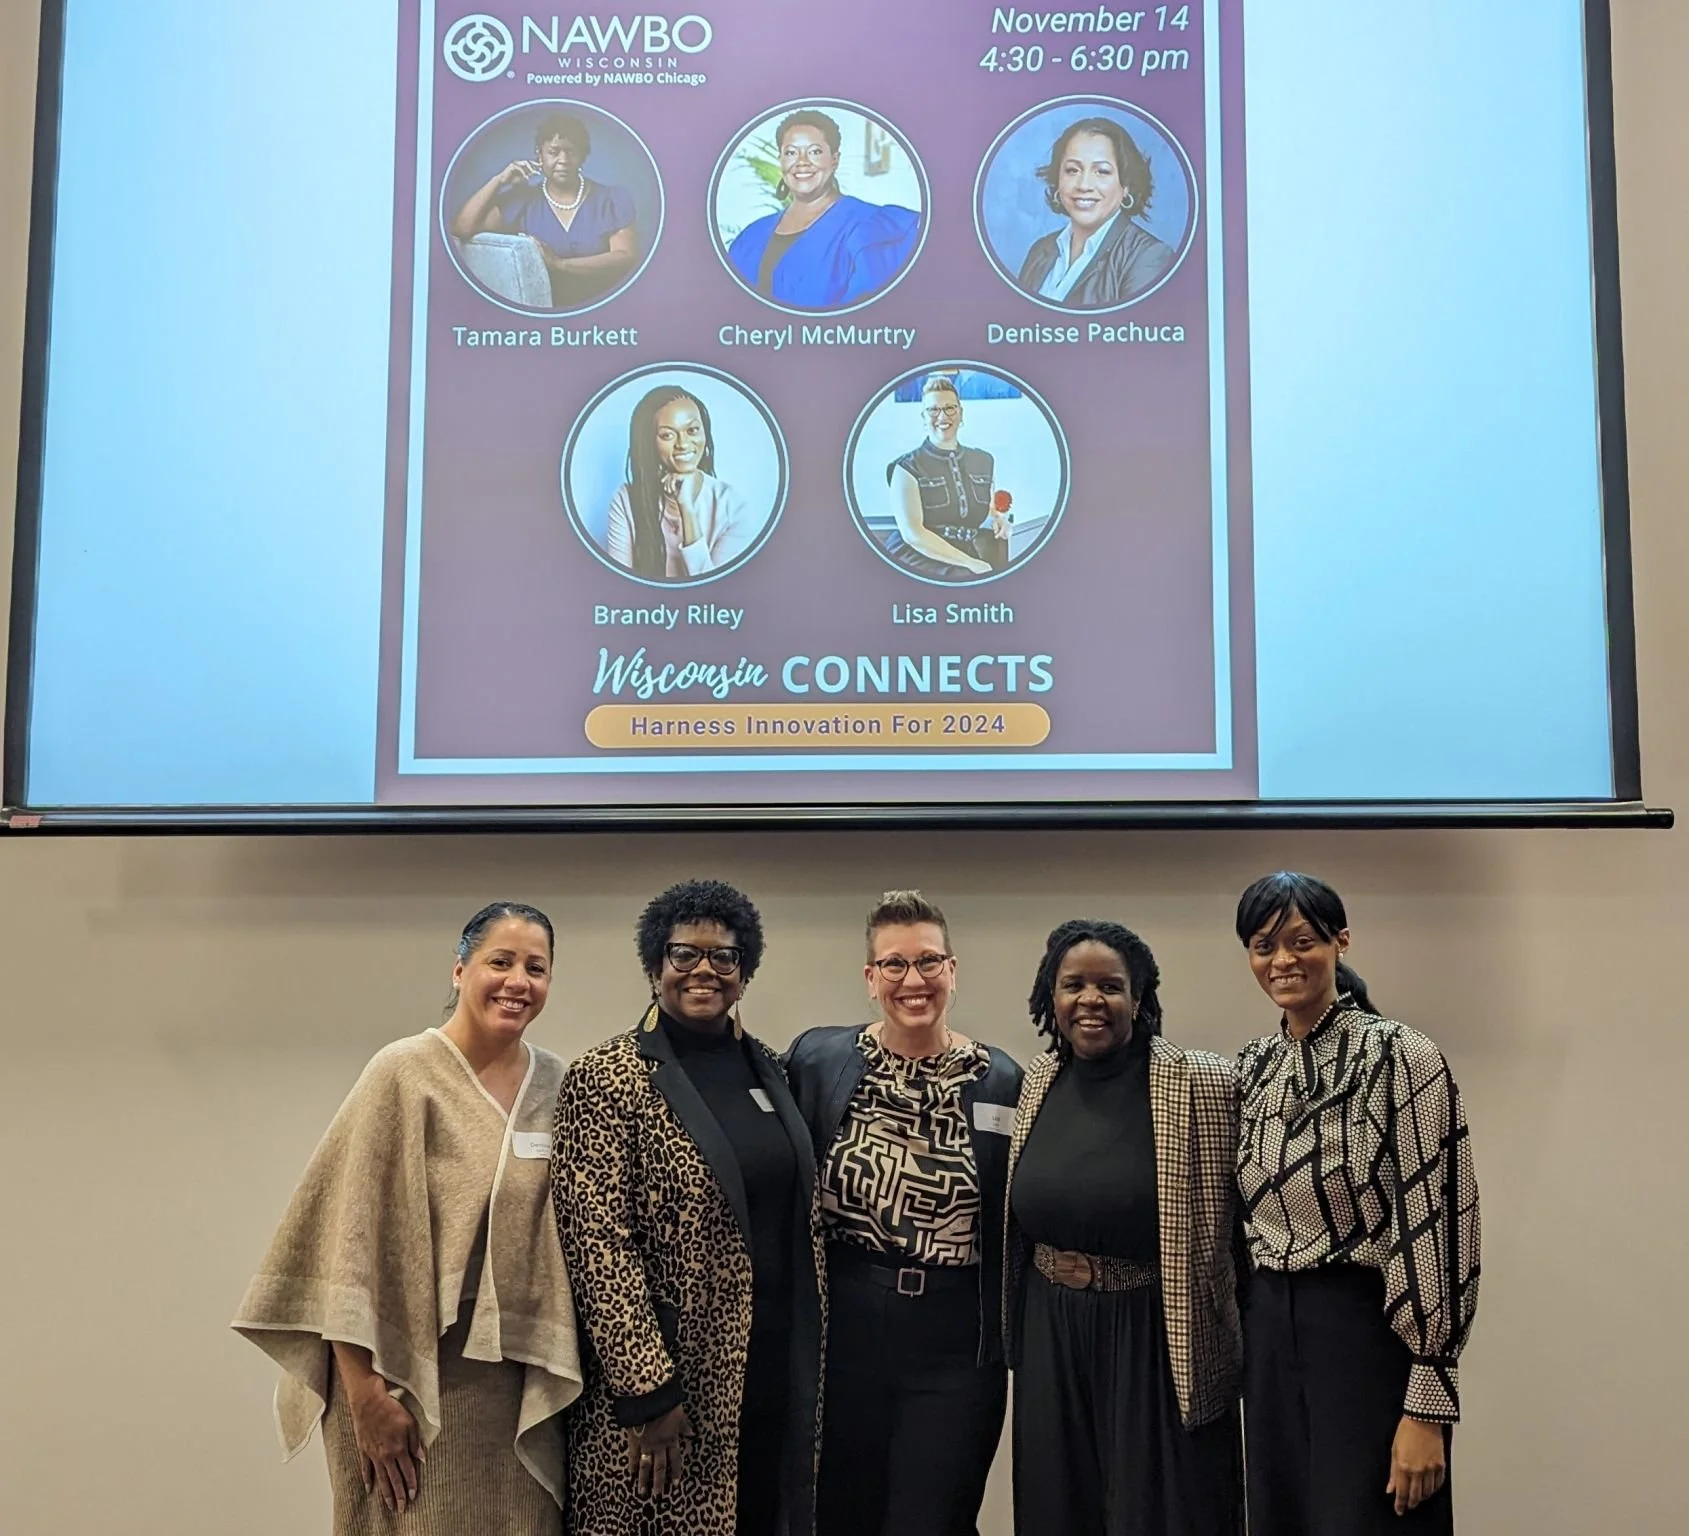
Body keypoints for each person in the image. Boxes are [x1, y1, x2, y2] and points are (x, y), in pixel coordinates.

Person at [232, 903, 582, 1535]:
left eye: (537, 967)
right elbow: (346, 1237)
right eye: (498, 962)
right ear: (459, 969)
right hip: (405, 1380)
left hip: (516, 1387)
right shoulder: (402, 1072)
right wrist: (364, 1396)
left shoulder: (561, 1085)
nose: (518, 982)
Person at [553, 880, 825, 1536]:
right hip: (667, 1387)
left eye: (723, 957)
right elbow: (596, 1243)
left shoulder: (770, 1069)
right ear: (654, 967)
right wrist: (648, 1391)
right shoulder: (607, 1078)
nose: (704, 969)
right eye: (683, 955)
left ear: (745, 971)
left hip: (769, 1371)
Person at [1233, 872, 1481, 1536]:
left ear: (1340, 942)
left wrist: (1428, 1403)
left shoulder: (1401, 1056)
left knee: (1367, 1519)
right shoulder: (1253, 1065)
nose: (1281, 960)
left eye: (1301, 940)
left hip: (1364, 1334)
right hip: (1268, 1334)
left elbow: (1437, 1220)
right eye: (1262, 945)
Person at [786, 891, 1022, 1536]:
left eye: (928, 963)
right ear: (870, 979)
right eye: (893, 965)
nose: (912, 981)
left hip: (954, 1339)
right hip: (847, 1329)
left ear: (952, 970)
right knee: (841, 1512)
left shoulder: (1002, 1081)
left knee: (933, 1518)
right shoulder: (821, 1062)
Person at [1004, 920, 1243, 1536]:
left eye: (1109, 985)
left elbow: (1235, 1224)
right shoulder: (1036, 1083)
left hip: (1155, 1330)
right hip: (1049, 1328)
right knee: (1057, 1508)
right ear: (1049, 997)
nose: (1090, 1000)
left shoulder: (1201, 1082)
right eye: (1072, 985)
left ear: (1138, 998)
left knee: (1161, 1512)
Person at [727, 109, 921, 310]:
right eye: (791, 152)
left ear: (834, 159)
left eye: (815, 152)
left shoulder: (869, 229)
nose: (802, 162)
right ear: (781, 160)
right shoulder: (750, 237)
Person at [451, 111, 639, 309]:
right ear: (539, 154)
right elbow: (462, 228)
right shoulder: (522, 200)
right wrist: (498, 181)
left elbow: (624, 256)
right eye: (553, 152)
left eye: (572, 151)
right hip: (540, 313)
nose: (563, 160)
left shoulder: (611, 199)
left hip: (604, 308)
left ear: (583, 156)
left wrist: (559, 264)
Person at [1015, 117, 1176, 309]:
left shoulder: (1149, 257)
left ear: (1125, 186)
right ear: (1058, 180)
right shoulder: (1040, 251)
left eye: (1101, 171)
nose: (1084, 185)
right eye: (1072, 170)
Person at [604, 386, 755, 580]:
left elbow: (716, 591)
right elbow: (619, 585)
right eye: (668, 435)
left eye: (692, 430)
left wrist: (687, 509)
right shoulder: (626, 500)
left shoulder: (733, 506)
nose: (683, 443)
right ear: (650, 441)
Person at [880, 377, 1006, 581]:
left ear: (960, 412)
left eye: (950, 408)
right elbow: (913, 535)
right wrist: (969, 562)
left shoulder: (984, 461)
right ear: (923, 416)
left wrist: (999, 520)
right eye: (933, 410)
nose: (942, 416)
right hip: (916, 557)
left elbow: (985, 508)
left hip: (965, 554)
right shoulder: (906, 467)